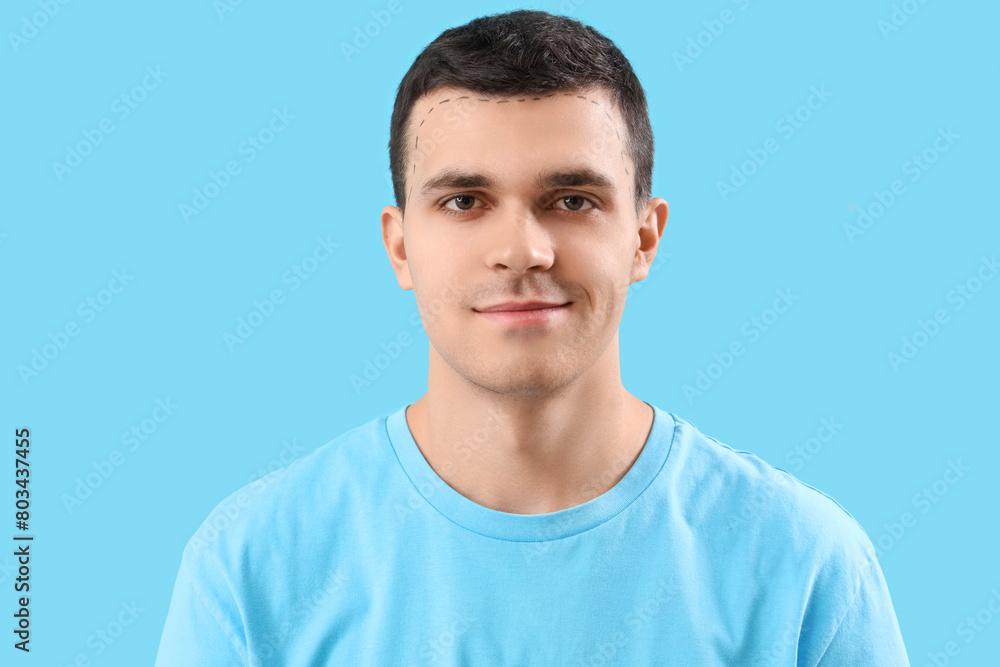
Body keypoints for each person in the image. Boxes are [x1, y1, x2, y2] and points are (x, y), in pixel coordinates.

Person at [155, 9, 909, 665]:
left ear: (645, 238)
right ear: (400, 248)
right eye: (464, 200)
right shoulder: (251, 567)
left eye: (572, 199)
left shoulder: (804, 567)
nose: (523, 249)